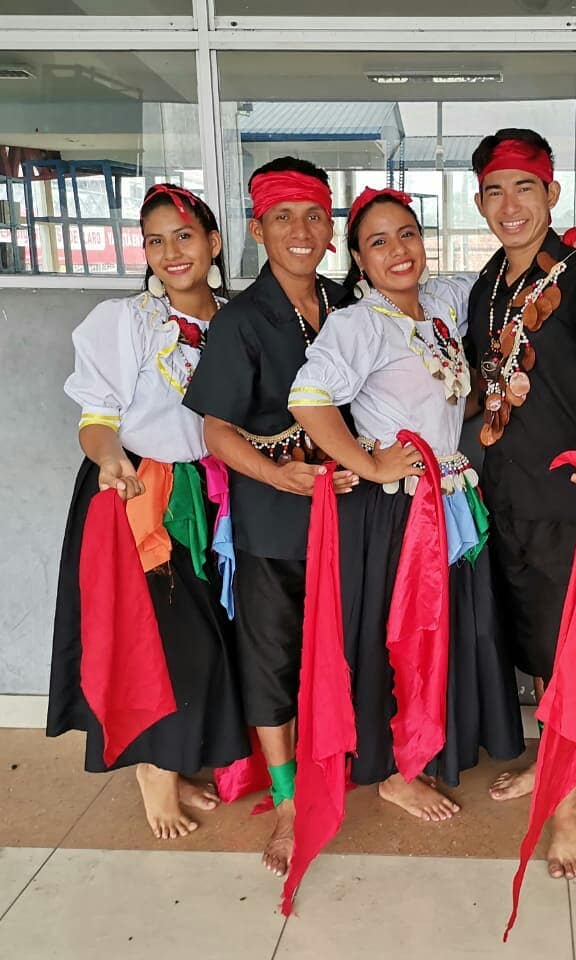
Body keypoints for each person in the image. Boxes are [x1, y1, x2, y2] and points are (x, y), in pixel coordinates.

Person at [288, 186, 524, 818]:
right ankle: (393, 770)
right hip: (395, 510)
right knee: (402, 636)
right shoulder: (359, 324)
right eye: (378, 242)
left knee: (448, 632)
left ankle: (427, 752)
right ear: (358, 260)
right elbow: (308, 399)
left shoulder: (441, 305)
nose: (399, 251)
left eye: (408, 234)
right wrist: (367, 461)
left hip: (447, 496)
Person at [47, 183, 249, 840]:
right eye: (156, 240)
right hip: (142, 495)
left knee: (208, 640)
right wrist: (109, 460)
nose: (171, 252)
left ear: (214, 244)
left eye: (184, 236)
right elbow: (97, 420)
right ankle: (153, 775)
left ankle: (176, 760)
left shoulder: (239, 319)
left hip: (217, 492)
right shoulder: (125, 321)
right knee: (157, 643)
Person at [466, 128, 576, 880]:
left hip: (569, 499)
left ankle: (568, 806)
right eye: (495, 192)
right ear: (479, 203)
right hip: (505, 499)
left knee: (570, 653)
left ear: (552, 194)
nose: (510, 206)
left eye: (524, 189)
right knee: (539, 650)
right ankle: (553, 761)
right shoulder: (486, 286)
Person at [182, 157, 354, 877]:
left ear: (331, 227)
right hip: (274, 523)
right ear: (256, 229)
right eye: (282, 216)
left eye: (314, 214)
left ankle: (359, 764)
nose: (300, 230)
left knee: (351, 647)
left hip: (353, 513)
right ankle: (288, 799)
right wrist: (277, 473)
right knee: (273, 661)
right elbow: (215, 430)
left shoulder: (350, 302)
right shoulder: (242, 321)